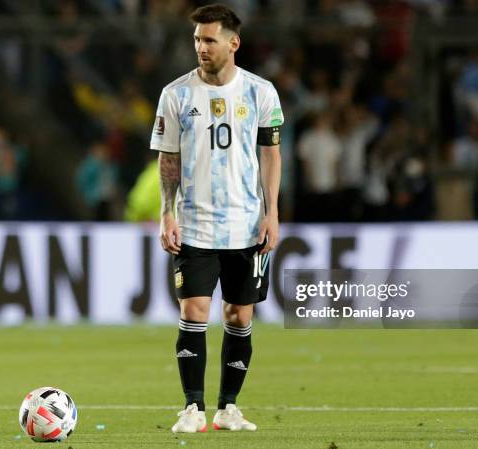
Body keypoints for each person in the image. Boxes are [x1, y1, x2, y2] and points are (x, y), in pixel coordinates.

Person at [150, 4, 283, 434]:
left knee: (239, 317)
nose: (200, 47)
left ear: (233, 43)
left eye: (209, 40)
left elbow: (270, 154)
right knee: (194, 309)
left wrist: (272, 212)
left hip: (245, 224)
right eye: (196, 40)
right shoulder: (176, 94)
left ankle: (229, 407)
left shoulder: (261, 92)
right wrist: (166, 213)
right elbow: (168, 159)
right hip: (194, 223)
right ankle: (193, 407)